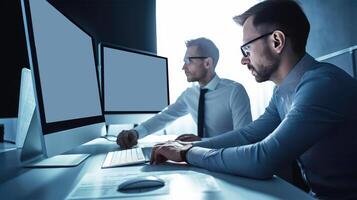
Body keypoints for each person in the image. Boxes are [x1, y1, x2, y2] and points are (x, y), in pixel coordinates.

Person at [150, 1, 357, 199]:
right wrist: (194, 146)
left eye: (246, 48)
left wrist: (189, 154)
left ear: (277, 41)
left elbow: (263, 158)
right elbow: (249, 135)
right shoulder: (282, 92)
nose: (243, 59)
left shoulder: (322, 85)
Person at [117, 37, 252, 149]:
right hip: (200, 161)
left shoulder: (234, 91)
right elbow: (164, 117)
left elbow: (243, 139)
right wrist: (135, 133)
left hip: (229, 161)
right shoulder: (190, 94)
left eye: (189, 61)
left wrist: (201, 142)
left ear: (207, 63)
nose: (183, 67)